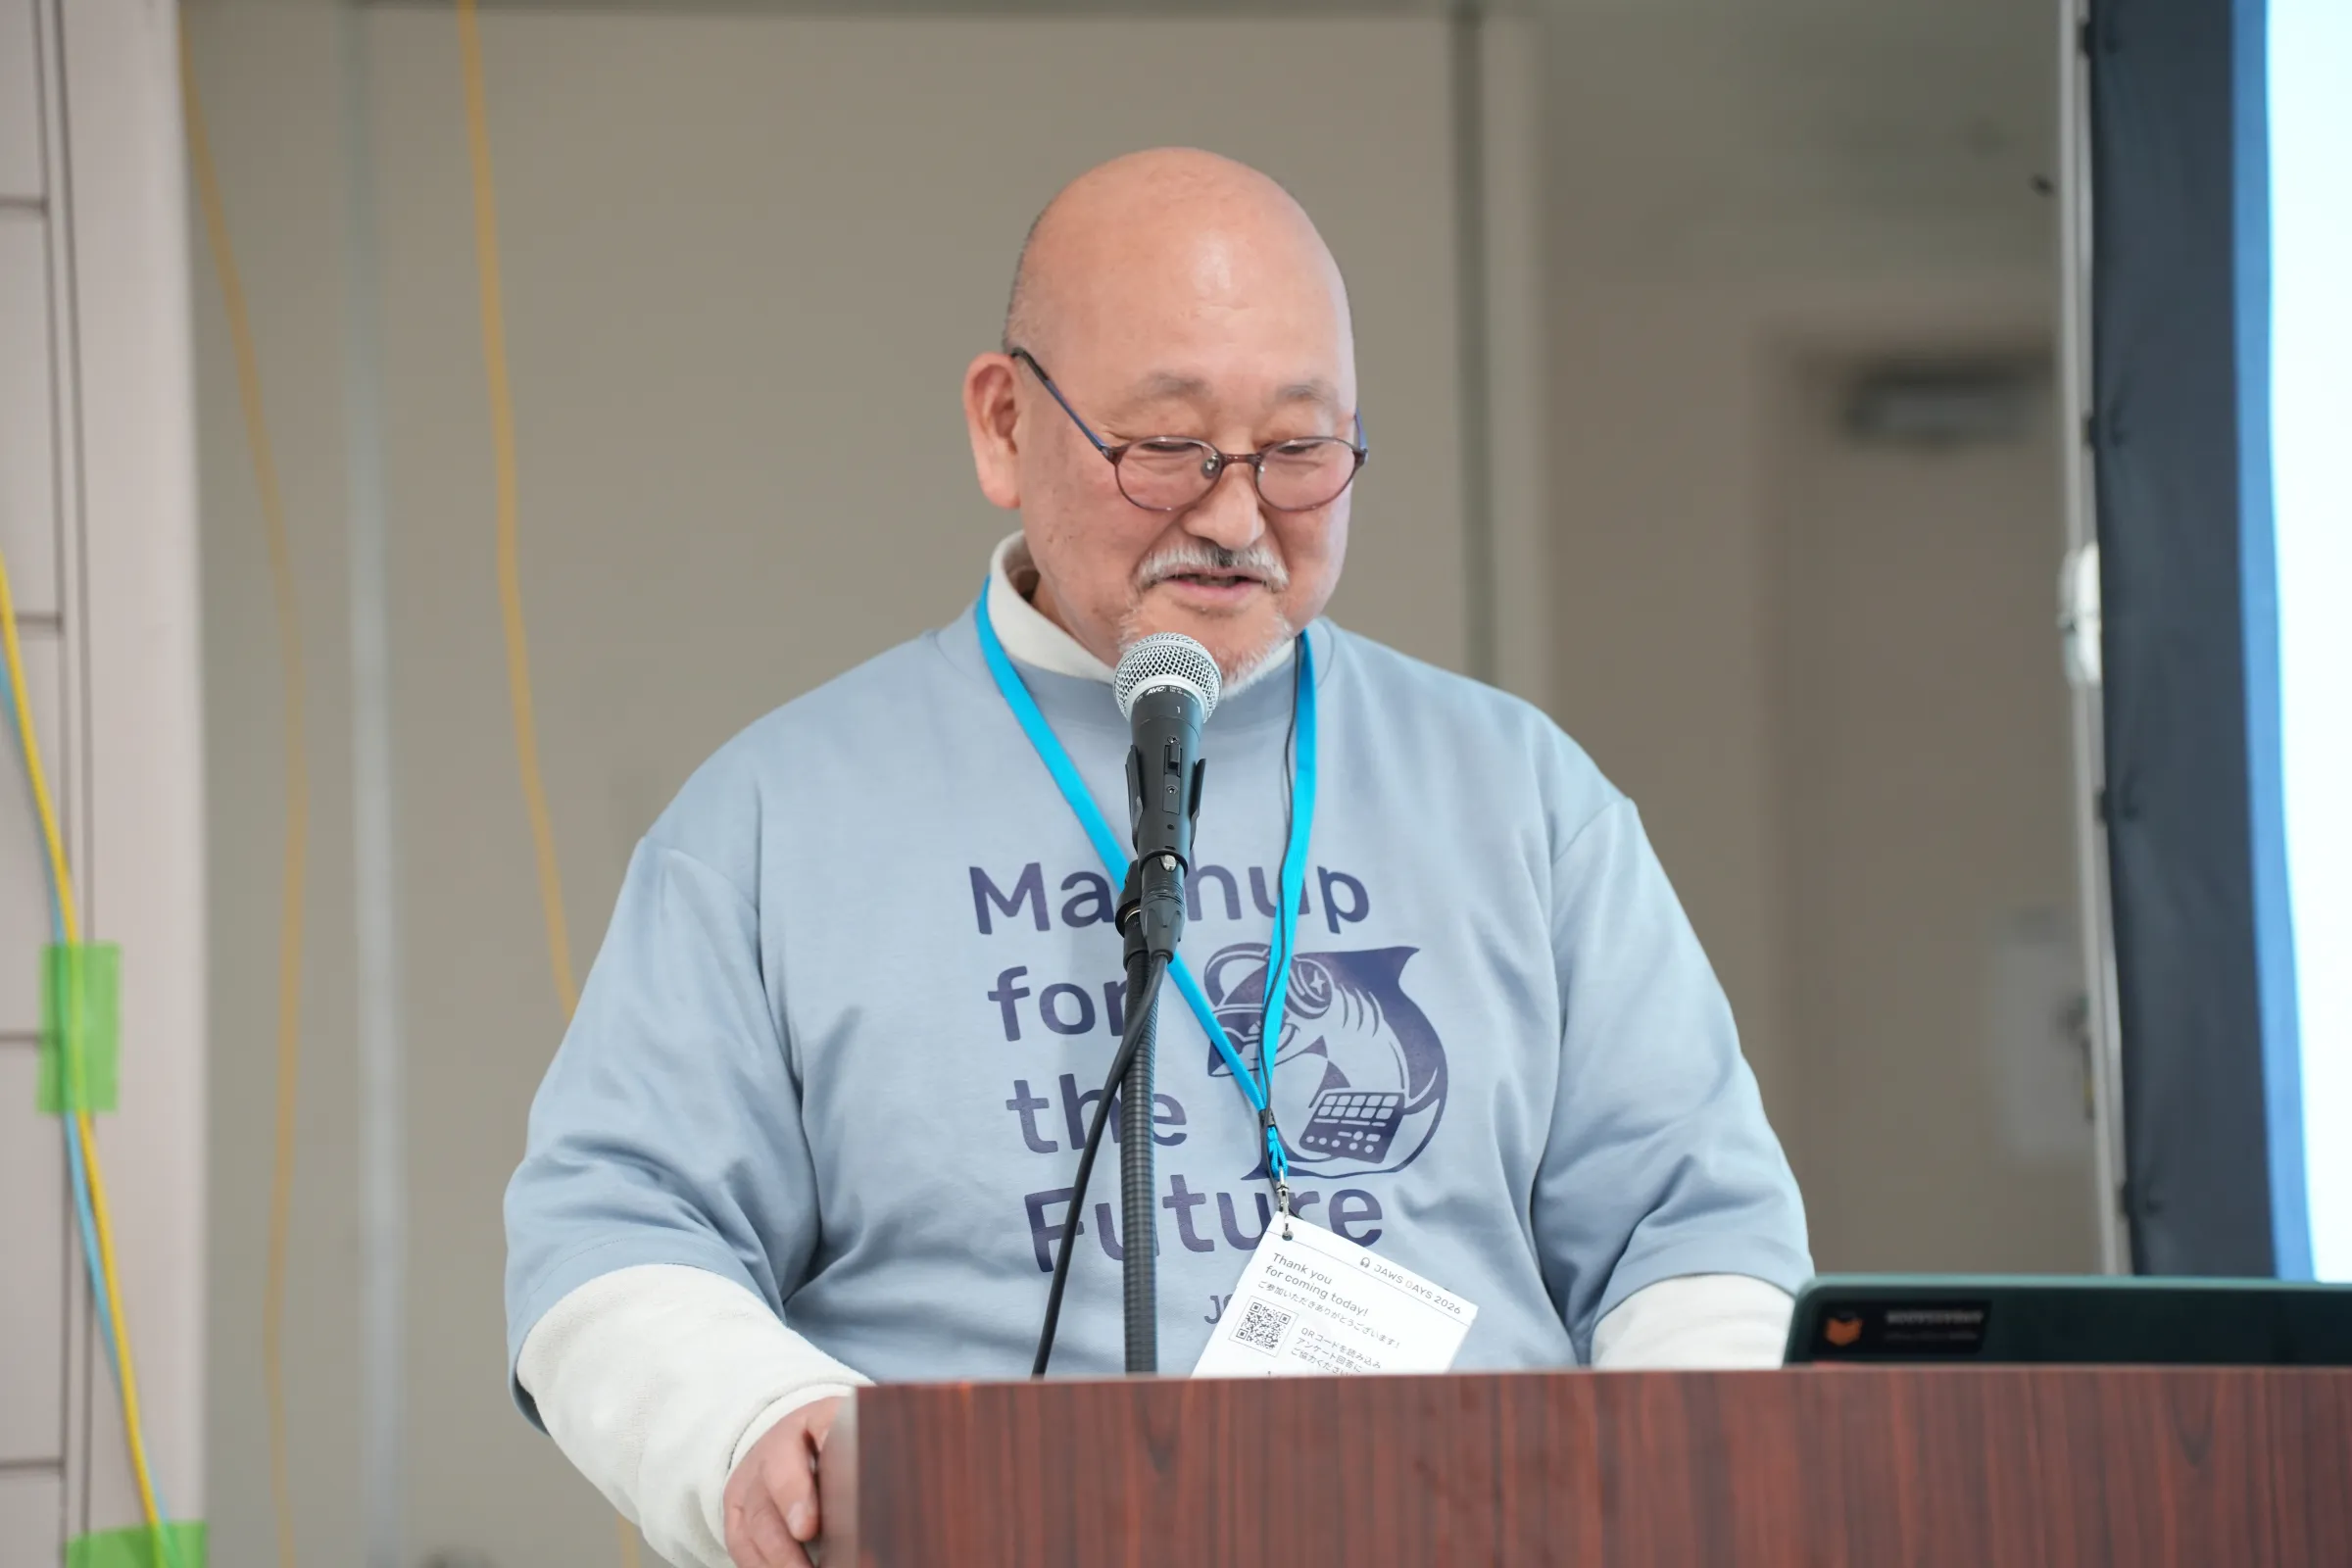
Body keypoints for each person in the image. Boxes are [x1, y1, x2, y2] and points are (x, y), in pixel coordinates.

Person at [504, 148, 1809, 1568]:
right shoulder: (774, 819)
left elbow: (1696, 1231)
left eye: (1299, 450)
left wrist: (1692, 1501)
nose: (1235, 517)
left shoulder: (1520, 796)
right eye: (1170, 447)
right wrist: (755, 1422)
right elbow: (614, 1228)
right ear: (1005, 425)